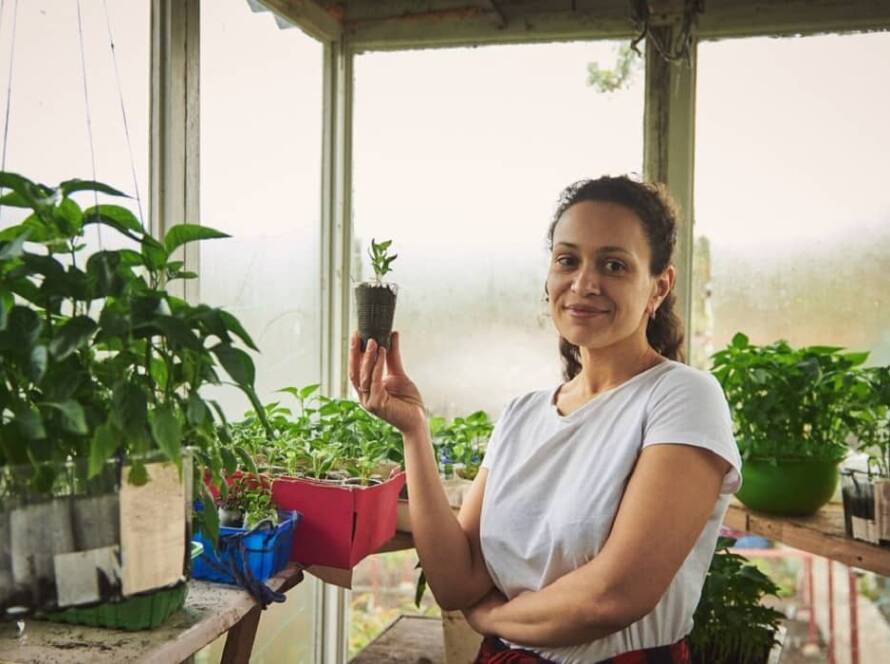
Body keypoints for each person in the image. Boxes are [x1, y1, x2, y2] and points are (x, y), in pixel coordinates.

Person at [349, 175, 742, 664]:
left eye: (614, 265)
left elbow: (612, 597)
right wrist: (414, 431)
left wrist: (491, 620)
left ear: (659, 286)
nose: (584, 283)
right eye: (567, 260)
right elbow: (458, 580)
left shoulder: (681, 398)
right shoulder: (523, 414)